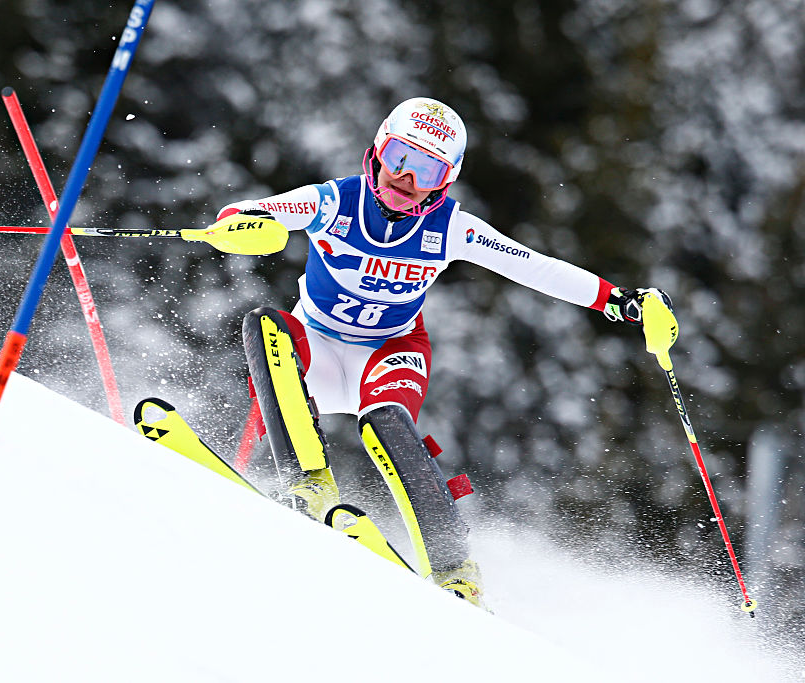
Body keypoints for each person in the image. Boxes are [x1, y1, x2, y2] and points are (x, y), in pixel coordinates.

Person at [216, 97, 669, 609]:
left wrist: (621, 302)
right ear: (378, 151)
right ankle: (309, 484)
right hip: (314, 348)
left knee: (386, 421)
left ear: (444, 179)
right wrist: (243, 223)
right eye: (398, 156)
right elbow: (256, 210)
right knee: (265, 327)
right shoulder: (331, 202)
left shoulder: (452, 228)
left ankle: (456, 569)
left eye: (425, 167)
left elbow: (533, 266)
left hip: (388, 352)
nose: (405, 176)